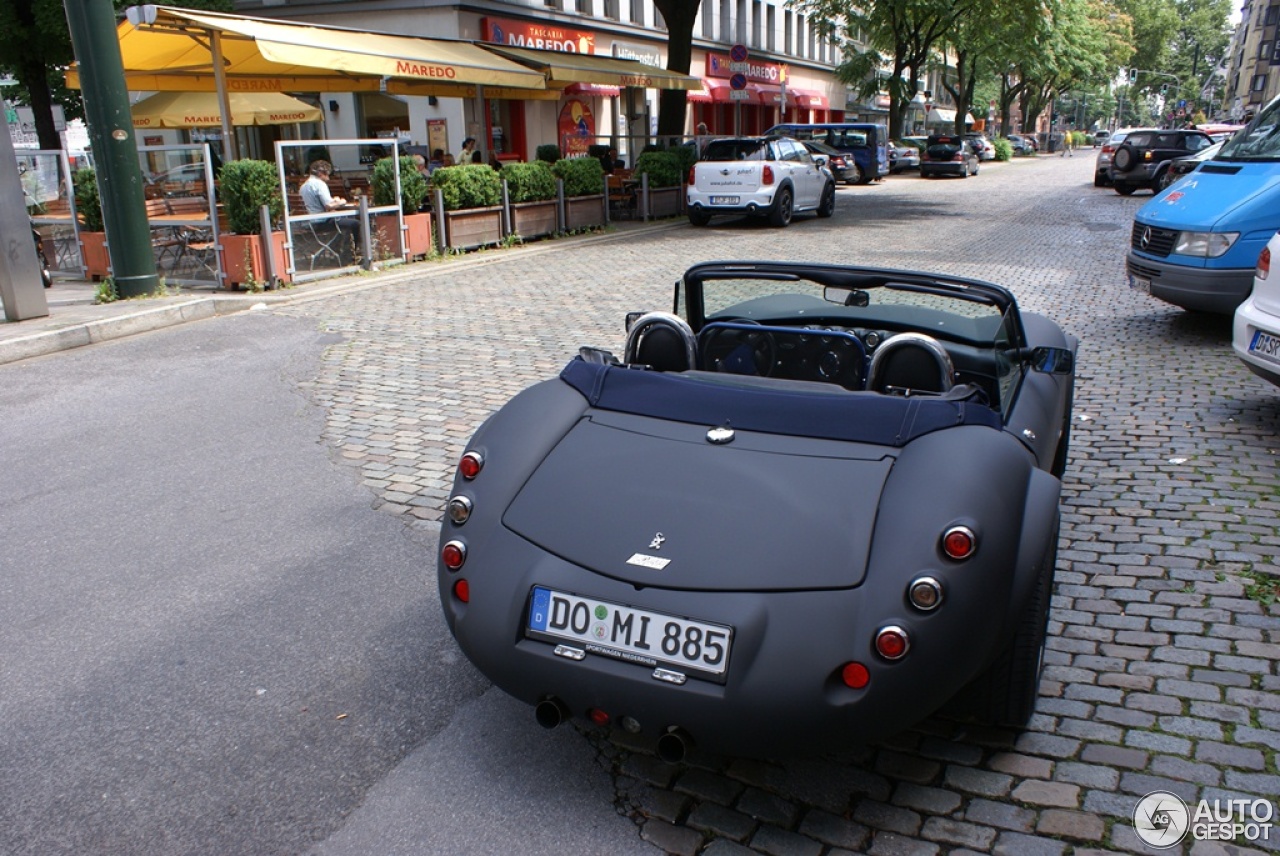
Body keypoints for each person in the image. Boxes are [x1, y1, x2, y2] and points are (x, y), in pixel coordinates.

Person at [300, 160, 360, 264]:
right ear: (320, 174)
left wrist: (333, 201)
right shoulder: (320, 185)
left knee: (343, 222)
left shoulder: (303, 186)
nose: (328, 178)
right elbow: (328, 205)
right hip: (321, 222)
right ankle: (352, 254)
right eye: (327, 175)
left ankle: (337, 253)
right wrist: (341, 201)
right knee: (354, 223)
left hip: (309, 223)